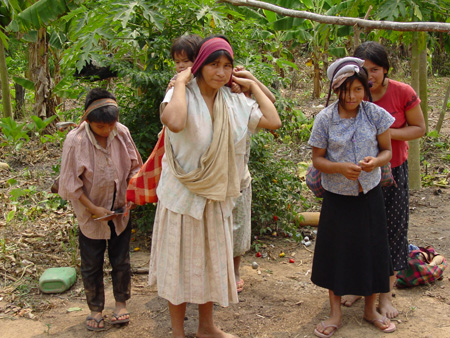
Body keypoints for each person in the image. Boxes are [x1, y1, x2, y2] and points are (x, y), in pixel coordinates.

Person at [148, 35, 281, 338]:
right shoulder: (180, 95)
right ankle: (178, 332)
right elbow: (176, 122)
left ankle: (207, 327)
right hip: (181, 198)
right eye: (213, 65)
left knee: (210, 265)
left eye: (227, 66)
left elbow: (273, 121)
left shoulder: (234, 100)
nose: (220, 72)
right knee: (178, 268)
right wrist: (181, 83)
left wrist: (253, 84)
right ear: (199, 66)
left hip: (216, 198)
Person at [309, 57, 396, 337]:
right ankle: (335, 314)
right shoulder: (325, 119)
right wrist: (339, 168)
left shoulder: (375, 114)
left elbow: (387, 152)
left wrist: (375, 162)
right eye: (345, 90)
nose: (351, 96)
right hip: (337, 198)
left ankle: (370, 310)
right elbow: (318, 160)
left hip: (369, 195)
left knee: (372, 252)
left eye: (357, 89)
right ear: (336, 90)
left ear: (365, 90)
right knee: (336, 254)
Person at [339, 42, 426, 318]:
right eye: (364, 69)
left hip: (392, 172)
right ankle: (358, 287)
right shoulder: (353, 93)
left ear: (386, 69)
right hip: (358, 175)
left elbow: (419, 128)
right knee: (358, 231)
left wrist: (385, 133)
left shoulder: (402, 93)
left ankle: (385, 296)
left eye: (374, 69)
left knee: (392, 233)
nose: (369, 75)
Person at [58, 88, 143, 331]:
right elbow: (69, 184)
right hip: (90, 215)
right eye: (100, 127)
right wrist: (92, 207)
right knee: (91, 263)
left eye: (111, 125)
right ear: (88, 121)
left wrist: (131, 192)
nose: (107, 131)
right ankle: (95, 310)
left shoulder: (122, 132)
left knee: (121, 260)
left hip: (120, 212)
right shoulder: (76, 141)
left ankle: (121, 304)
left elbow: (136, 166)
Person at [231, 66, 276, 293]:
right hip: (214, 181)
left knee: (238, 231)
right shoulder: (213, 95)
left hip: (239, 178)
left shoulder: (243, 100)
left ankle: (234, 272)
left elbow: (271, 102)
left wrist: (250, 80)